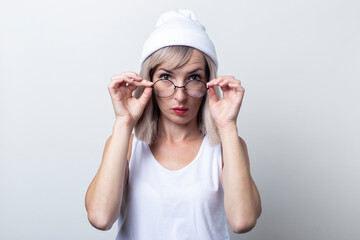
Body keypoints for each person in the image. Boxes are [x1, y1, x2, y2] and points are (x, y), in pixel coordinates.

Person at [85, 9, 261, 239]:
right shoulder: (126, 144)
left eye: (194, 77)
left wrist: (227, 126)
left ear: (209, 83)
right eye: (166, 77)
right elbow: (100, 218)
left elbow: (242, 221)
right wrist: (123, 122)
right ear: (149, 81)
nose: (180, 96)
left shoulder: (228, 146)